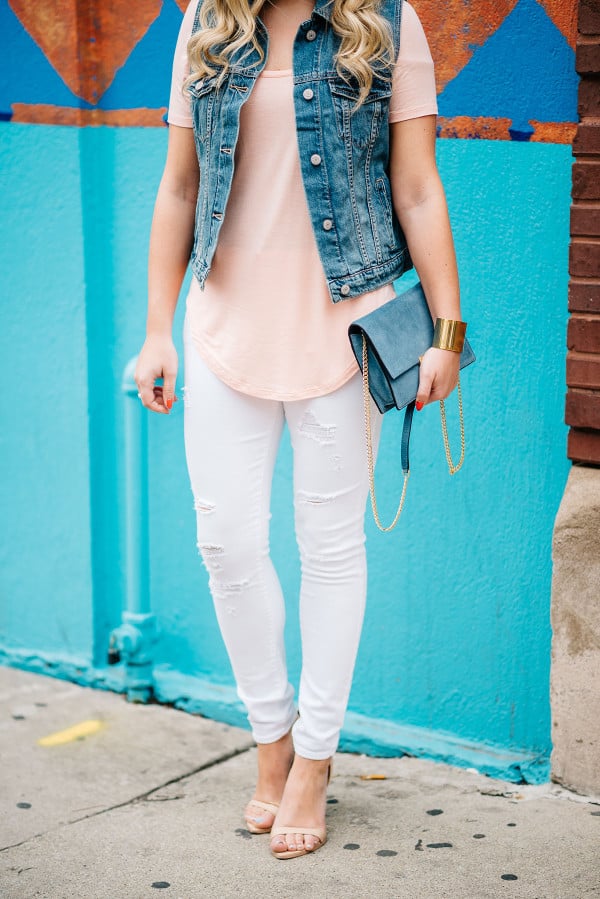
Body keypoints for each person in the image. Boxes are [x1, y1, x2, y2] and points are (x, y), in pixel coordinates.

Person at [135, 0, 464, 860]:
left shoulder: (389, 21)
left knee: (330, 546)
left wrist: (447, 331)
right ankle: (270, 736)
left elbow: (419, 184)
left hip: (343, 321)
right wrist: (156, 330)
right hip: (221, 320)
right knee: (226, 541)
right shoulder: (207, 20)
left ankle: (314, 758)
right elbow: (180, 183)